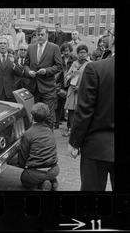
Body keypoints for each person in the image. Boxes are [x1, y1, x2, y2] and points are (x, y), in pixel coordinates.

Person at [68, 31, 114, 191]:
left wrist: (74, 142)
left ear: (113, 39)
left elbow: (85, 111)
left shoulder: (96, 68)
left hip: (97, 146)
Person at [23, 24, 62, 130]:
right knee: (35, 115)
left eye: (42, 34)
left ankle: (47, 139)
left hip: (48, 88)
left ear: (47, 35)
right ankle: (37, 137)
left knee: (48, 116)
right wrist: (28, 71)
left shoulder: (54, 47)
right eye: (38, 34)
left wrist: (46, 71)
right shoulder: (31, 47)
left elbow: (59, 66)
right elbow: (25, 64)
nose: (40, 36)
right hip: (33, 87)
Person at [18, 102, 60, 191]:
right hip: (54, 169)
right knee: (46, 174)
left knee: (24, 179)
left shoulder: (28, 134)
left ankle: (40, 186)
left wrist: (23, 166)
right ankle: (52, 181)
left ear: (32, 116)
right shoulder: (49, 130)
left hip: (36, 172)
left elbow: (23, 157)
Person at [63, 44, 91, 137]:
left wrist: (81, 87)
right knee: (71, 110)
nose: (82, 54)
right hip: (72, 89)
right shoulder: (74, 63)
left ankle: (81, 131)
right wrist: (70, 77)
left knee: (81, 110)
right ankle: (71, 130)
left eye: (84, 52)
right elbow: (67, 75)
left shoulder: (90, 64)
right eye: (80, 52)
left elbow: (91, 79)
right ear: (77, 54)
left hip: (83, 91)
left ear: (87, 53)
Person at [54, 42, 75, 130]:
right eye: (63, 51)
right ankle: (56, 124)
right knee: (58, 105)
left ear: (70, 50)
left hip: (70, 84)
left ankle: (69, 126)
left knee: (70, 107)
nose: (65, 52)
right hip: (61, 84)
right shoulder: (60, 59)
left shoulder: (74, 60)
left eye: (67, 50)